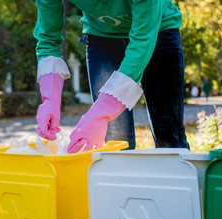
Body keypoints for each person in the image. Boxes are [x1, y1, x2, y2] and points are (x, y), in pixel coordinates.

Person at [33, 0, 190, 153]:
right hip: (102, 36)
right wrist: (50, 99)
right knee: (115, 141)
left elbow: (143, 39)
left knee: (169, 138)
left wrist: (102, 111)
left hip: (157, 29)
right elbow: (48, 39)